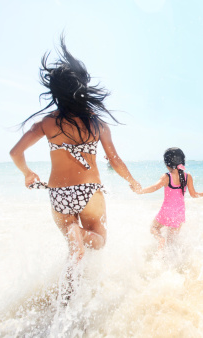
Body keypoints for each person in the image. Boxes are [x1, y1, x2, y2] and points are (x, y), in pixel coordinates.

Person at [10, 37, 141, 262]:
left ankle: (72, 273)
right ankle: (79, 234)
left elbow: (15, 152)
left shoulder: (46, 123)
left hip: (58, 193)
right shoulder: (97, 124)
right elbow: (115, 160)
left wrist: (28, 174)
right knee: (98, 241)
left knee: (74, 251)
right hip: (89, 191)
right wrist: (132, 181)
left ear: (55, 92)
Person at [135, 148, 203, 250]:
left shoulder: (166, 177)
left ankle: (160, 239)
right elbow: (194, 194)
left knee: (154, 228)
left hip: (167, 210)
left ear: (167, 163)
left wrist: (140, 191)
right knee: (172, 241)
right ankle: (172, 260)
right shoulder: (187, 176)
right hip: (179, 212)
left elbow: (154, 187)